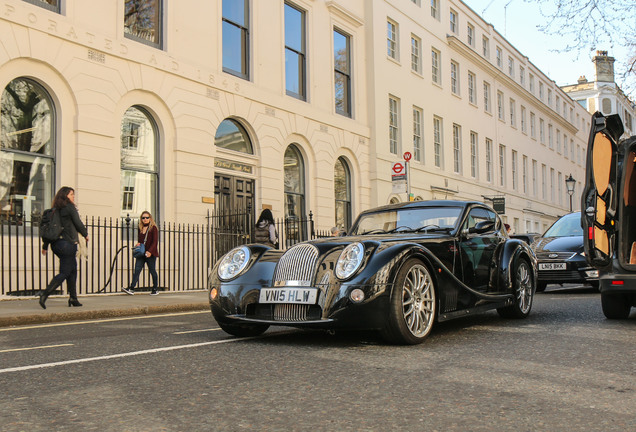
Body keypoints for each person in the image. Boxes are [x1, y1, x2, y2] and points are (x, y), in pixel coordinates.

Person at [39, 187, 89, 309]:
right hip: (67, 244)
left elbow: (50, 229)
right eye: (71, 194)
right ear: (66, 195)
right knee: (65, 272)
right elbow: (78, 222)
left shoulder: (55, 210)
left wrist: (45, 246)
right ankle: (45, 293)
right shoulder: (69, 207)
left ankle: (73, 298)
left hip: (56, 245)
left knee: (72, 270)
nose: (73, 197)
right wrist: (85, 234)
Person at [123, 211, 160, 295]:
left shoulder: (153, 228)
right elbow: (141, 241)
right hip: (142, 253)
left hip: (150, 253)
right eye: (143, 218)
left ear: (150, 218)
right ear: (141, 219)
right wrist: (138, 244)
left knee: (152, 270)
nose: (145, 219)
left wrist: (150, 251)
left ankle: (155, 288)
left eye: (147, 217)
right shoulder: (141, 228)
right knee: (137, 270)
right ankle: (131, 288)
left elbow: (155, 242)